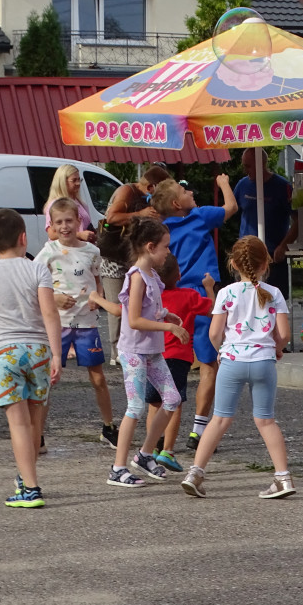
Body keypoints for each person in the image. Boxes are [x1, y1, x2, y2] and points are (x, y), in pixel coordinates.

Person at [180, 236, 293, 499]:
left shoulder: (225, 293)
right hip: (263, 361)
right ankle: (283, 478)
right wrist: (275, 347)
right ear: (266, 264)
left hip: (232, 361)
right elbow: (284, 334)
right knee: (266, 421)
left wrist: (222, 350)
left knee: (219, 419)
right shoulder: (274, 293)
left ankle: (195, 474)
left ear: (233, 264)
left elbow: (215, 332)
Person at [0, 209, 62, 508]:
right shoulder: (38, 270)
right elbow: (49, 313)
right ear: (23, 237)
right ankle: (26, 477)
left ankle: (31, 488)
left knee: (18, 424)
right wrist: (57, 353)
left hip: (5, 353)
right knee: (35, 423)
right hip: (38, 351)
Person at [151, 175, 238, 451]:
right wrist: (223, 183)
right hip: (203, 294)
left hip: (173, 299)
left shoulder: (162, 230)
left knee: (172, 363)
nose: (190, 191)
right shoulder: (200, 216)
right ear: (178, 203)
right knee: (210, 365)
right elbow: (231, 208)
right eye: (184, 190)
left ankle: (159, 434)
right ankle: (198, 429)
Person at [105, 217, 189, 488]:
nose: (168, 252)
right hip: (133, 351)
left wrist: (167, 314)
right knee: (136, 406)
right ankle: (117, 468)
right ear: (150, 247)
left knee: (172, 399)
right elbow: (134, 320)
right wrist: (167, 326)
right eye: (165, 247)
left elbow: (148, 310)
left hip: (151, 350)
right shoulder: (137, 277)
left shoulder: (153, 276)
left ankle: (145, 454)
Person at [34, 197, 118, 449]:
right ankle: (38, 434)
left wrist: (99, 296)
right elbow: (35, 284)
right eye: (58, 222)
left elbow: (98, 277)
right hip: (57, 324)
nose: (64, 226)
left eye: (69, 220)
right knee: (48, 379)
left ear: (78, 220)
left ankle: (108, 426)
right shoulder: (48, 252)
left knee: (98, 378)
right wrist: (55, 298)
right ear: (51, 224)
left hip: (86, 324)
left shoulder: (92, 251)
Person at [142, 254, 216, 472]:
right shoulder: (189, 295)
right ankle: (168, 450)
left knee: (154, 404)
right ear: (179, 275)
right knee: (173, 405)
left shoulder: (152, 297)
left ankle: (151, 448)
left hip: (153, 354)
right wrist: (209, 287)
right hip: (178, 356)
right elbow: (212, 309)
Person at [100, 165, 171, 367]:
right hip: (113, 256)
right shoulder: (127, 191)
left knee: (135, 303)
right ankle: (116, 352)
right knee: (118, 303)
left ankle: (136, 347)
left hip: (131, 256)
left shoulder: (147, 198)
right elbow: (111, 217)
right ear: (150, 187)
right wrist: (140, 213)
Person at [234, 148, 298, 299]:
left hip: (273, 256)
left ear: (261, 164)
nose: (245, 170)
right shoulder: (242, 185)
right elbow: (231, 210)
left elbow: (298, 221)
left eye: (248, 166)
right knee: (245, 298)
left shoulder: (283, 187)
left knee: (273, 300)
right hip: (246, 255)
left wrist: (284, 246)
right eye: (244, 165)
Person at [43, 164, 95, 242]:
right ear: (62, 182)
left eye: (79, 180)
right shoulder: (56, 204)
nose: (78, 183)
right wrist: (79, 235)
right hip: (64, 250)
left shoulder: (79, 202)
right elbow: (52, 234)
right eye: (74, 180)